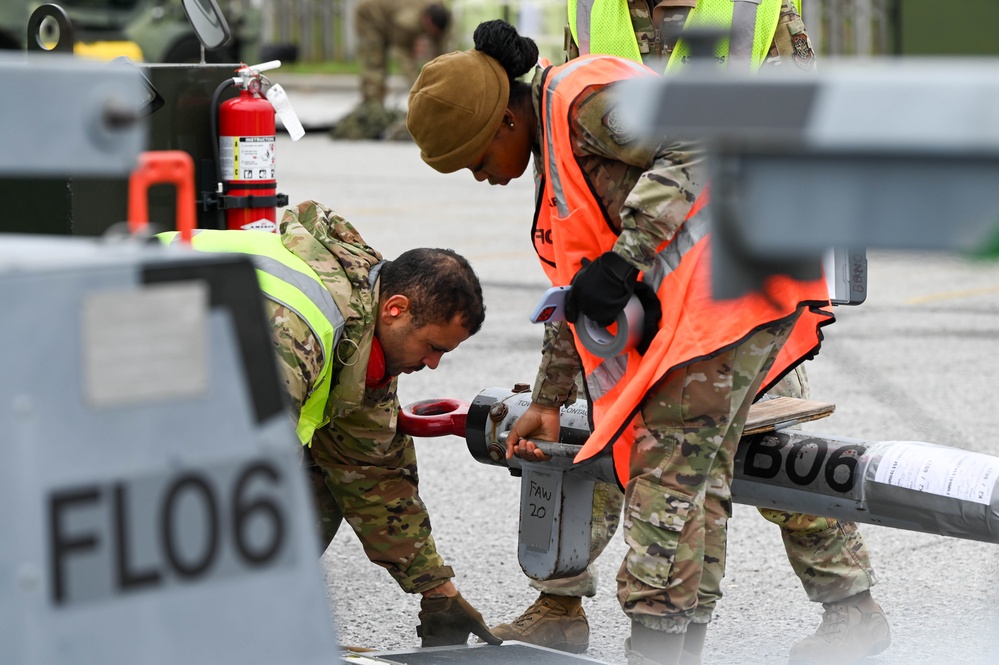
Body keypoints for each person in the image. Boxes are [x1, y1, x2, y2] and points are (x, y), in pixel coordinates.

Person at [406, 20, 834, 665]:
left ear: (503, 124)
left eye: (475, 161)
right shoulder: (553, 148)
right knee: (694, 486)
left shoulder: (583, 104)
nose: (481, 177)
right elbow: (575, 289)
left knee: (664, 488)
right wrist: (550, 397)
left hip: (733, 288)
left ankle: (656, 650)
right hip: (707, 304)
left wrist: (628, 257)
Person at [159, 200, 500, 649]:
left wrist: (437, 591)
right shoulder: (299, 331)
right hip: (91, 366)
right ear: (396, 309)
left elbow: (372, 473)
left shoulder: (362, 336)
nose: (433, 364)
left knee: (324, 476)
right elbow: (236, 469)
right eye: (433, 346)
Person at [331, 0, 451, 140]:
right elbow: (403, 57)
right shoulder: (407, 22)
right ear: (426, 20)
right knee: (375, 64)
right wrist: (422, 89)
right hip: (371, 16)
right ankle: (372, 113)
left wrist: (442, 84)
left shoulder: (442, 13)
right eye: (431, 31)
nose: (432, 35)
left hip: (393, 14)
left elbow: (441, 53)